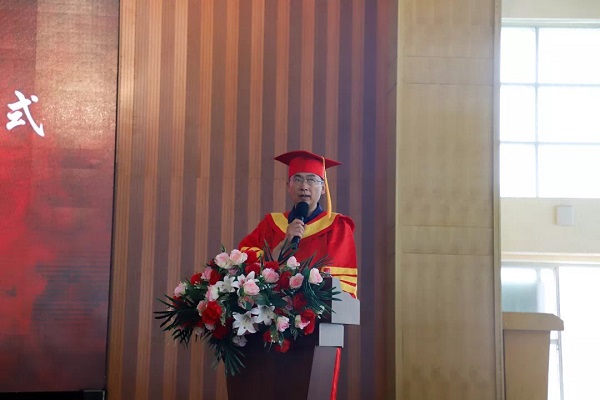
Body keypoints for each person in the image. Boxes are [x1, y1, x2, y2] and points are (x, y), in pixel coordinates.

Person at [238, 150, 358, 298]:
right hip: (273, 307)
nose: (304, 186)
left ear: (323, 188)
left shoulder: (337, 227)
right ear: (288, 186)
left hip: (315, 309)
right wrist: (281, 246)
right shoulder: (270, 224)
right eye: (298, 179)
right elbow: (244, 259)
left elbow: (339, 284)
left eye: (311, 180)